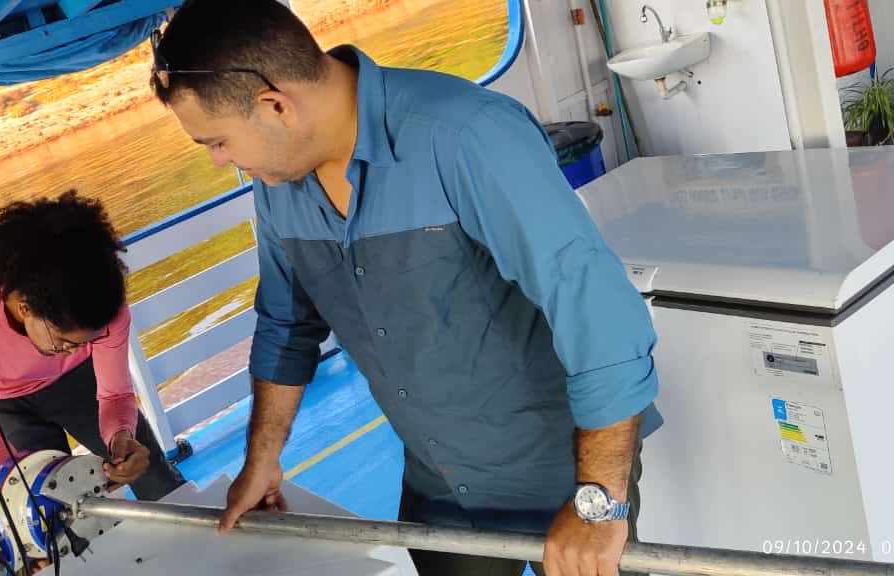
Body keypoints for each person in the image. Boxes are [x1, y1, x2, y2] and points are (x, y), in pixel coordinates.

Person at [149, 2, 661, 576]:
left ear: (275, 106)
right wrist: (261, 459)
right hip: (438, 478)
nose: (219, 161)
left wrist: (599, 500)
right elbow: (285, 325)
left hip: (563, 471)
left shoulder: (466, 135)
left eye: (217, 142)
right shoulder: (278, 184)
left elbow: (597, 312)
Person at [0, 190, 184, 502]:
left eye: (89, 341)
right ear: (25, 309)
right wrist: (15, 490)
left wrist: (121, 436)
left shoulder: (103, 300)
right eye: (65, 342)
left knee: (154, 478)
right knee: (47, 506)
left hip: (78, 381)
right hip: (0, 399)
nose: (74, 349)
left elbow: (114, 394)